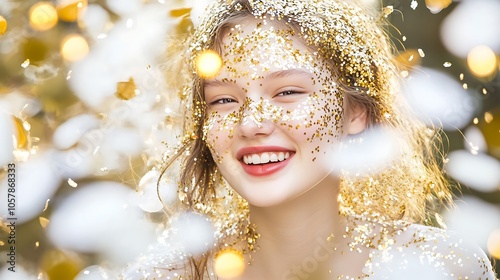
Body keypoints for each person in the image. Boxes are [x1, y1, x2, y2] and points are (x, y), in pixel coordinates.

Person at [121, 0, 496, 279]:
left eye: (287, 93)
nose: (251, 124)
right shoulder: (163, 276)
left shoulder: (443, 266)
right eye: (223, 99)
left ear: (356, 113)